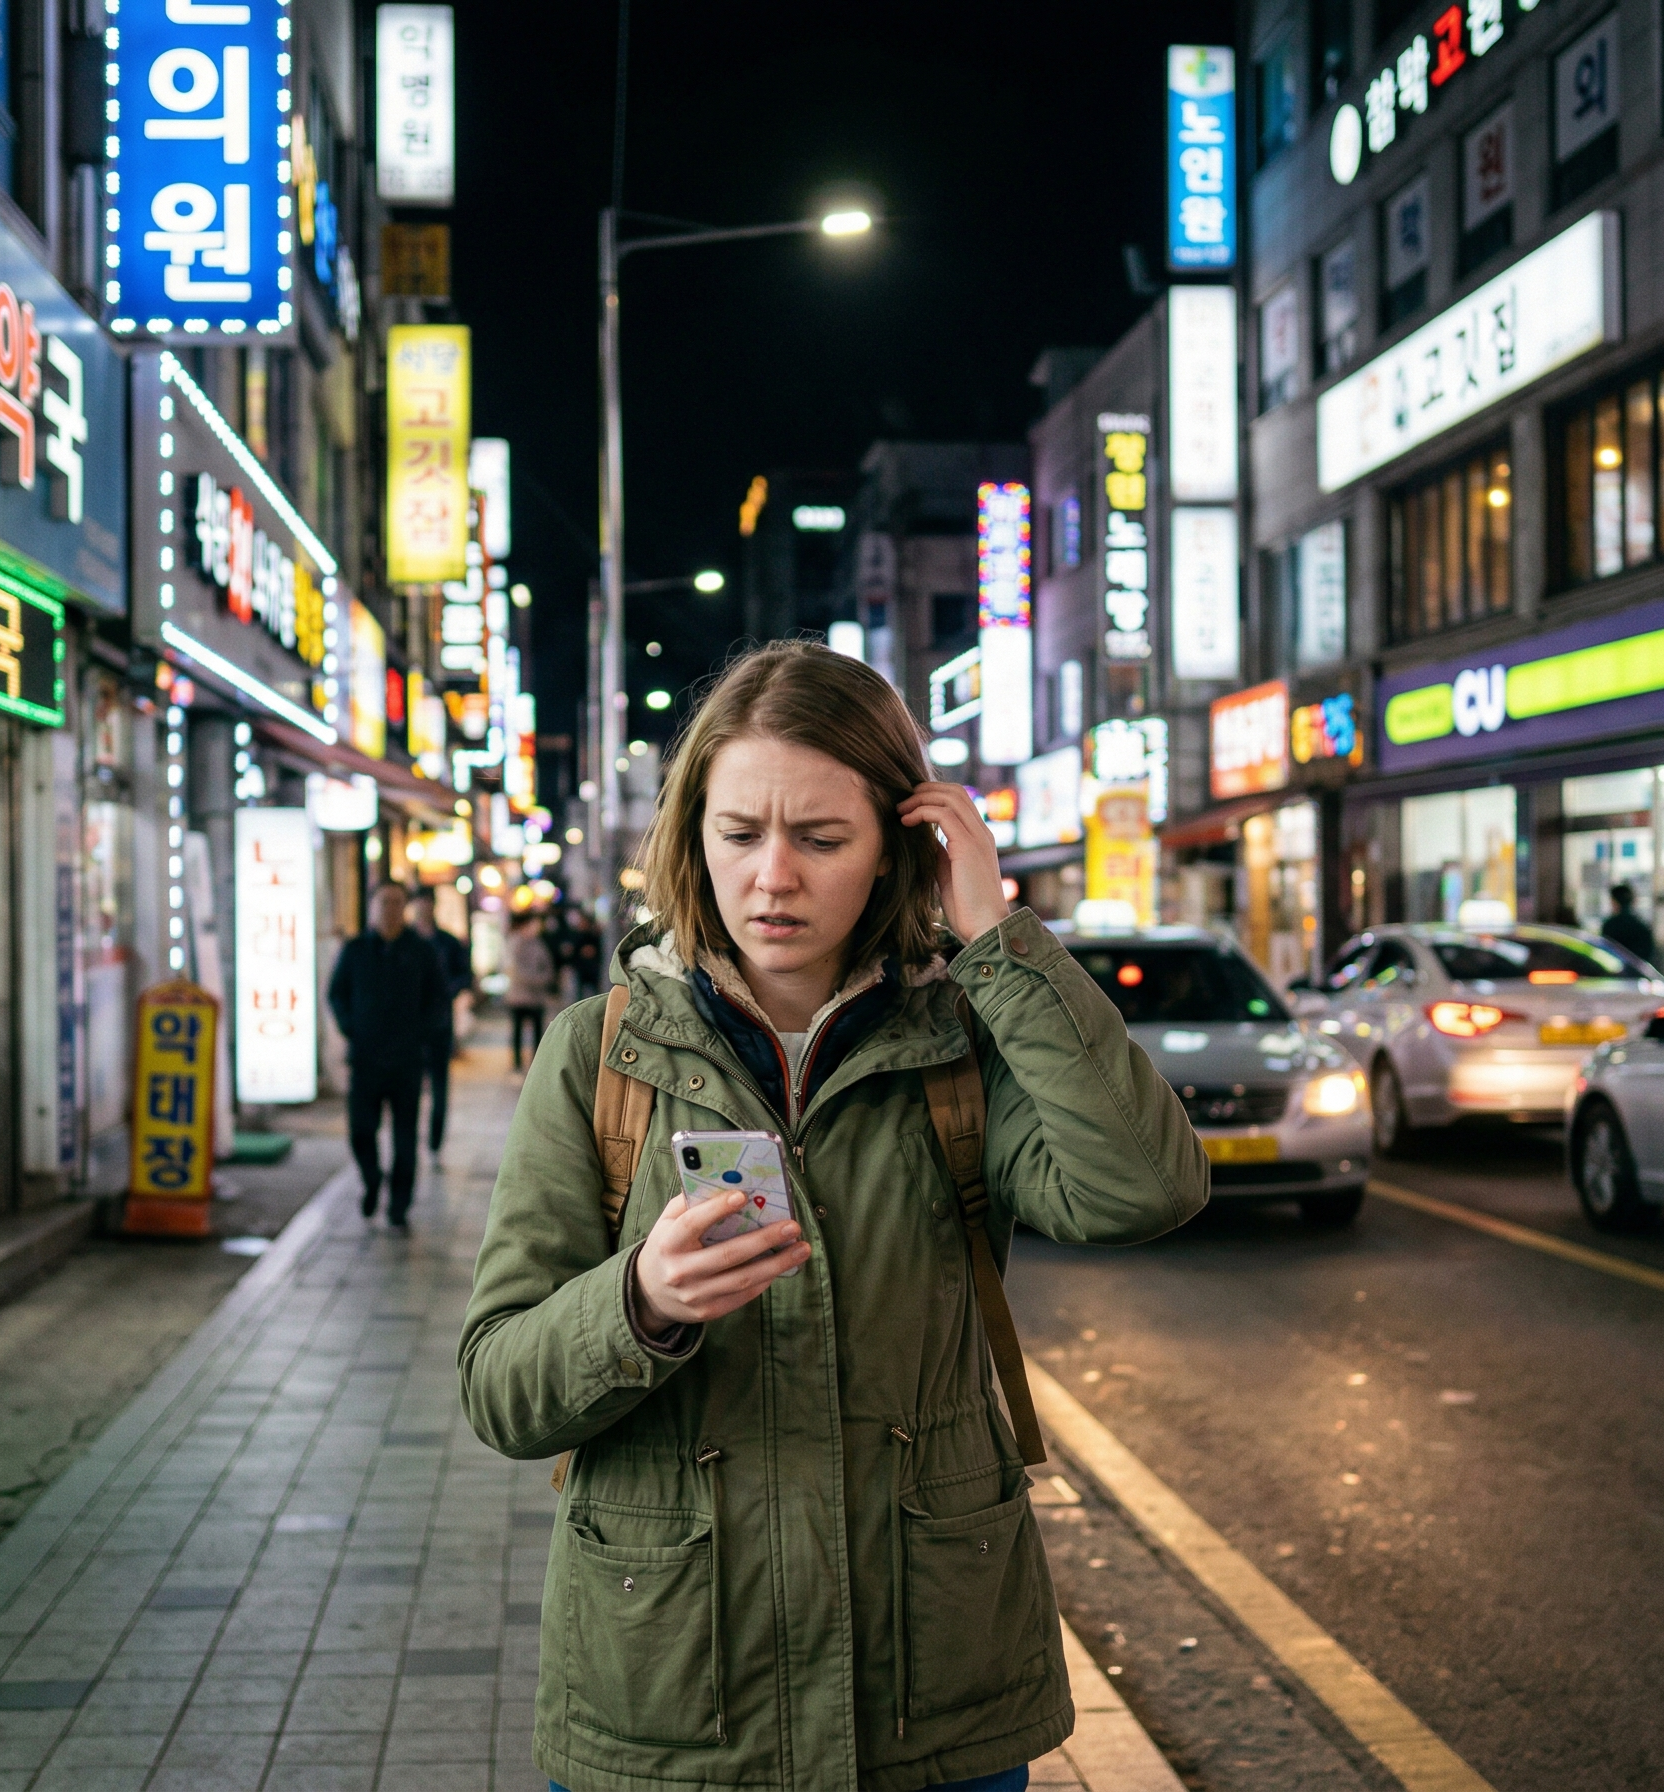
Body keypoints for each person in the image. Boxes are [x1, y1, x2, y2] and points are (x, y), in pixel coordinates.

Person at [459, 641, 1209, 1792]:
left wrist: (999, 941)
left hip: (930, 1702)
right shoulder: (597, 1053)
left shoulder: (962, 1040)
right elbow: (500, 1387)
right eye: (739, 833)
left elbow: (1145, 1187)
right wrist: (640, 1303)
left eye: (821, 839)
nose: (773, 878)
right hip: (669, 1702)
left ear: (897, 847)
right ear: (692, 837)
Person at [327, 884, 445, 1229]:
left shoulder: (421, 951)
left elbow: (437, 1000)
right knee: (361, 1130)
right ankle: (371, 1180)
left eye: (397, 902)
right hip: (365, 1058)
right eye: (384, 902)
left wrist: (420, 1034)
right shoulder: (356, 950)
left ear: (404, 907)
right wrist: (352, 1028)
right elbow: (336, 994)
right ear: (372, 906)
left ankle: (399, 1203)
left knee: (405, 1135)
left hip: (407, 1060)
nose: (390, 908)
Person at [407, 890, 474, 1156]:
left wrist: (445, 990)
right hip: (408, 1029)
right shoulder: (406, 940)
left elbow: (464, 975)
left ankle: (435, 1135)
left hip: (438, 1024)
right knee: (408, 1088)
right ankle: (409, 1137)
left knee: (438, 1085)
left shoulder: (447, 942)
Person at [503, 913, 557, 1071]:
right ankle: (517, 1061)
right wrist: (538, 980)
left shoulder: (539, 943)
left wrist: (543, 979)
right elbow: (516, 971)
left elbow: (548, 966)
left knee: (537, 1031)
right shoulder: (515, 943)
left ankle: (537, 1060)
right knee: (517, 1030)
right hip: (518, 996)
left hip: (536, 997)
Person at [1600, 881, 1661, 970]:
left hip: (1615, 973)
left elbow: (1605, 952)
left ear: (1613, 902)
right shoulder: (1641, 926)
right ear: (1633, 901)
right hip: (1637, 974)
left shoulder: (1609, 925)